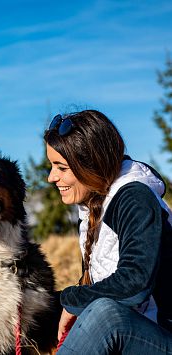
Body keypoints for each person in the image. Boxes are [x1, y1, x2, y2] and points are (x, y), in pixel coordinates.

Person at [43, 110, 172, 354]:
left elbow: (135, 282)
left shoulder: (134, 199)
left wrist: (73, 302)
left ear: (90, 164)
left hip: (163, 333)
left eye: (60, 167)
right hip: (144, 328)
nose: (51, 177)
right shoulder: (93, 206)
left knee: (106, 315)